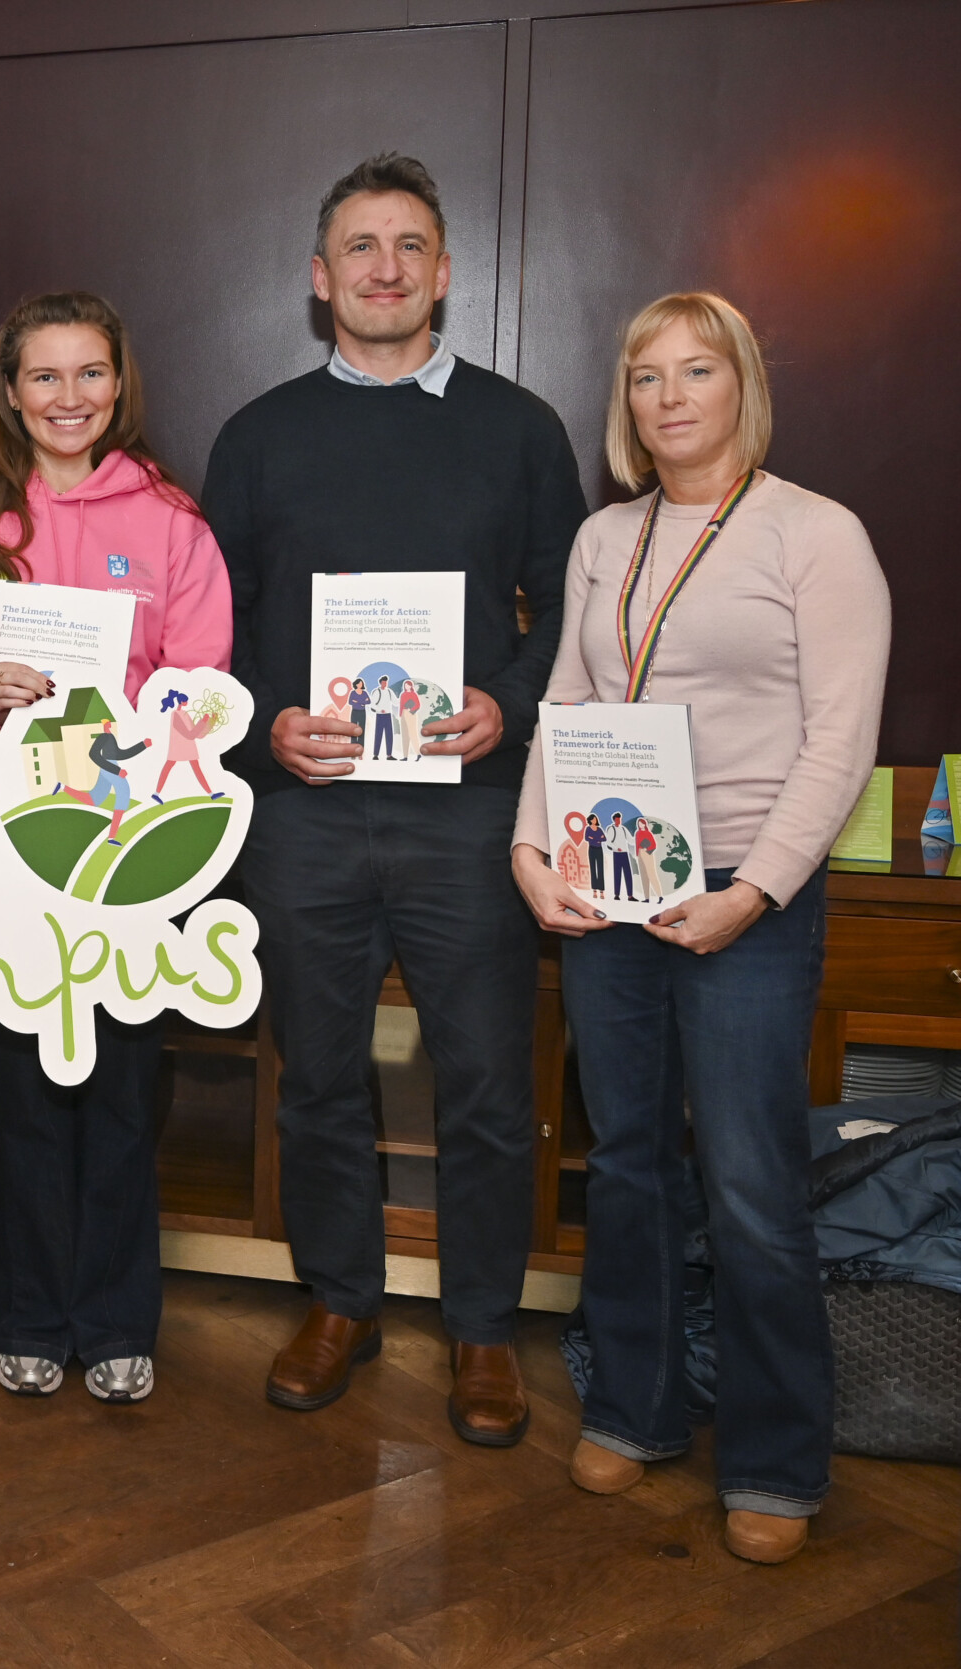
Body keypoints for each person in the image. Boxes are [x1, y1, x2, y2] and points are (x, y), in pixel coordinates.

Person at [204, 153, 587, 1442]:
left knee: (484, 1081)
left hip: (465, 809)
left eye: (408, 245)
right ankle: (339, 1301)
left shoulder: (517, 427)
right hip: (304, 809)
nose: (384, 267)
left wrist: (507, 706)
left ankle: (481, 1327)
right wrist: (265, 719)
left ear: (442, 272)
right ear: (320, 279)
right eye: (359, 247)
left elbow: (569, 605)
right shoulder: (258, 435)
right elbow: (216, 618)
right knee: (316, 1076)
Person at [511, 292, 888, 1564]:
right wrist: (528, 849)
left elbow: (840, 739)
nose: (669, 397)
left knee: (749, 1179)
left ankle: (776, 1461)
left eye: (696, 371)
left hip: (745, 892)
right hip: (610, 876)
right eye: (645, 377)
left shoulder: (814, 534)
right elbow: (569, 703)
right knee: (625, 1160)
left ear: (742, 388)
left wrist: (754, 890)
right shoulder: (603, 537)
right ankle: (635, 1404)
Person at [0, 289, 232, 1405]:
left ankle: (115, 1319)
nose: (68, 396)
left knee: (124, 1087)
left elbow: (205, 686)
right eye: (43, 375)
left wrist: (140, 723)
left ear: (118, 383)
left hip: (133, 846)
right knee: (29, 1089)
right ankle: (29, 1316)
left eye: (89, 372)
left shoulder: (172, 519)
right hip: (7, 843)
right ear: (9, 392)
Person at [154, 690, 221, 801]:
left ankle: (211, 794)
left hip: (188, 747)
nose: (187, 703)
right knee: (168, 766)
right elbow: (190, 735)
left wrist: (211, 722)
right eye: (186, 701)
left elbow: (198, 735)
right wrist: (203, 722)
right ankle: (156, 793)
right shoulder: (176, 715)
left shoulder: (185, 714)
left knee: (194, 768)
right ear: (182, 702)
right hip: (178, 747)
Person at [633, 817, 662, 902]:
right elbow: (637, 844)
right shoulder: (637, 833)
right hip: (640, 854)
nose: (640, 825)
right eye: (639, 824)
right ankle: (647, 898)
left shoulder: (648, 833)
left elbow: (654, 844)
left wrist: (647, 849)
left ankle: (660, 896)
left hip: (647, 853)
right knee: (644, 876)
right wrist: (637, 854)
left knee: (651, 874)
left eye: (642, 823)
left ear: (645, 824)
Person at [398, 678, 425, 760]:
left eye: (408, 685)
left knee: (413, 733)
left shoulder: (414, 694)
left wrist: (411, 709)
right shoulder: (403, 694)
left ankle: (418, 753)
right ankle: (405, 756)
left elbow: (418, 704)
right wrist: (400, 714)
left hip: (411, 714)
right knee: (404, 735)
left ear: (411, 686)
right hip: (403, 713)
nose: (406, 686)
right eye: (405, 685)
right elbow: (401, 705)